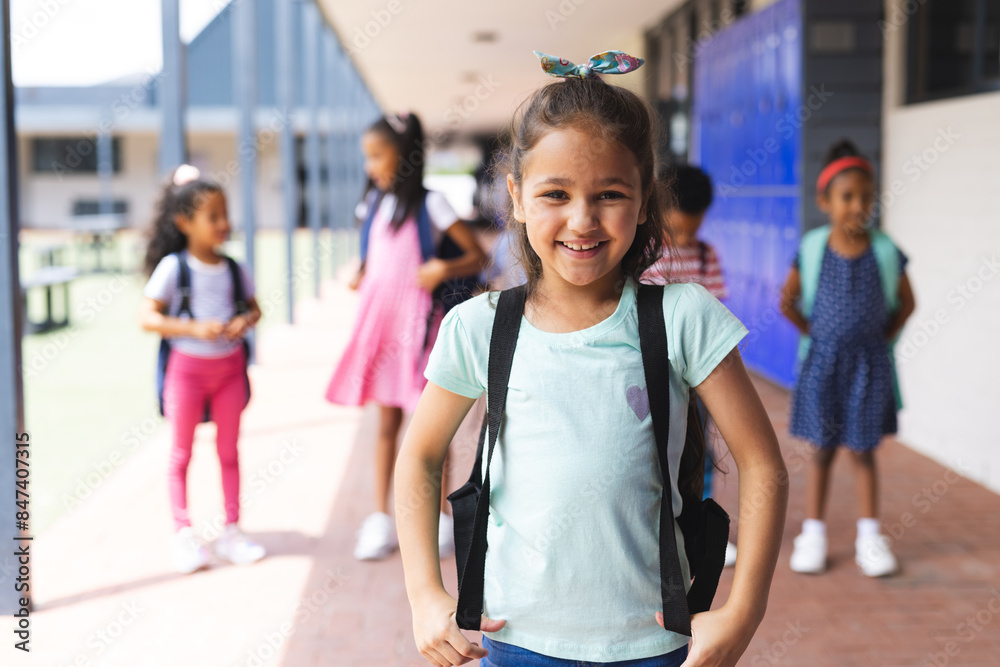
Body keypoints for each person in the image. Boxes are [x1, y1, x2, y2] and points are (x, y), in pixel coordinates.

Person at [395, 50, 787, 667]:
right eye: (556, 193)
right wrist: (423, 593)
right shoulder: (480, 327)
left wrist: (744, 609)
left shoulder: (684, 317)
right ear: (518, 198)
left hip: (657, 646)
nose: (582, 220)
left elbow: (763, 466)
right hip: (515, 639)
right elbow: (419, 456)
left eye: (609, 193)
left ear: (643, 199)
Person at [325, 112, 486, 561]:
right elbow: (375, 256)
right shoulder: (373, 205)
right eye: (367, 157)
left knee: (430, 429)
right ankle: (381, 518)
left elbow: (477, 255)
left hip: (418, 332)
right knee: (386, 426)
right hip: (382, 329)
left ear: (404, 155)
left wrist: (442, 268)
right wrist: (361, 272)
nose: (370, 166)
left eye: (377, 155)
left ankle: (438, 519)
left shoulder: (431, 205)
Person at [779, 139, 916, 577]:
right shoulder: (813, 247)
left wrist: (885, 340)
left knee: (863, 451)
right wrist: (813, 336)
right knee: (822, 450)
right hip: (825, 365)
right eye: (847, 197)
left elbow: (907, 303)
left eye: (866, 197)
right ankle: (813, 534)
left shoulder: (886, 251)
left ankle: (870, 538)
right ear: (825, 201)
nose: (858, 206)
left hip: (867, 368)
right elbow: (788, 300)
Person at [139, 165, 265, 574]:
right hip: (186, 372)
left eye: (225, 214)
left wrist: (244, 321)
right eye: (213, 217)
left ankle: (232, 531)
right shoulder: (174, 268)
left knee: (229, 451)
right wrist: (193, 327)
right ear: (185, 223)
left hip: (229, 371)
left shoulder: (234, 268)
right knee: (181, 453)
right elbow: (147, 317)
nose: (223, 224)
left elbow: (255, 307)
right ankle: (184, 534)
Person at [643, 164, 737, 568]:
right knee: (653, 451)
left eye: (693, 230)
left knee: (700, 453)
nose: (686, 239)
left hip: (696, 378)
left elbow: (715, 312)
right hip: (652, 376)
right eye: (678, 230)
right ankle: (655, 526)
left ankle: (698, 525)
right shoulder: (646, 255)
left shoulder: (705, 254)